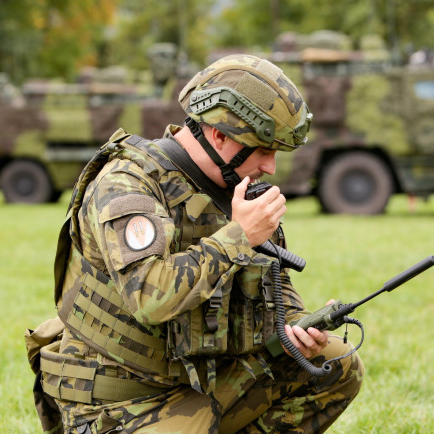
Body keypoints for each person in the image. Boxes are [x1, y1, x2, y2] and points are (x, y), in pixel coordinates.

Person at [26, 54, 363, 434]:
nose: (270, 167)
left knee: (337, 363)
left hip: (194, 384)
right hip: (119, 402)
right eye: (264, 151)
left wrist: (297, 327)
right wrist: (239, 236)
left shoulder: (232, 187)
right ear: (220, 135)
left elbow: (272, 286)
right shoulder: (127, 184)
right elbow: (151, 298)